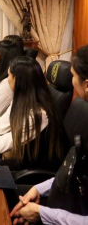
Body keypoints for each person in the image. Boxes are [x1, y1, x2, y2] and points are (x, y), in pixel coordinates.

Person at [9, 45, 88, 225]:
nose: (72, 82)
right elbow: (72, 172)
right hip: (69, 194)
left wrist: (42, 213)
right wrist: (38, 189)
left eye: (74, 76)